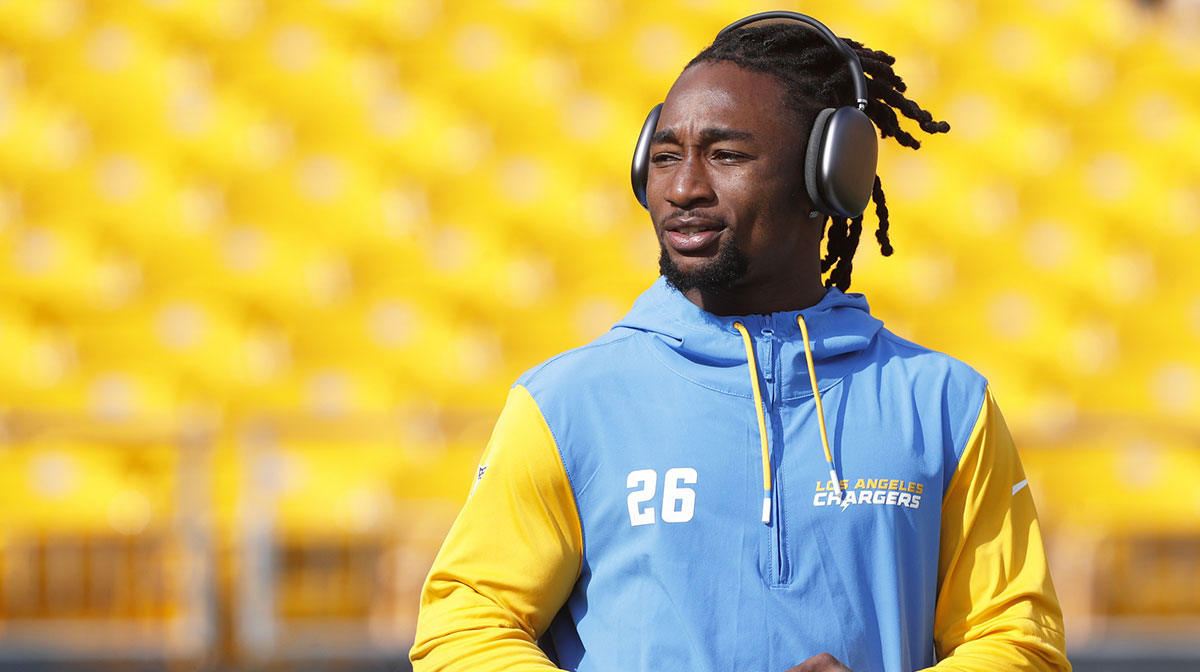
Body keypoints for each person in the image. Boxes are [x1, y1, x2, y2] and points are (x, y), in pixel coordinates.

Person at [410, 12, 1070, 672]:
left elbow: (1018, 641)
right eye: (665, 157)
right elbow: (465, 631)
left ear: (829, 177)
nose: (682, 189)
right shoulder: (565, 403)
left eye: (725, 156)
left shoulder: (945, 405)